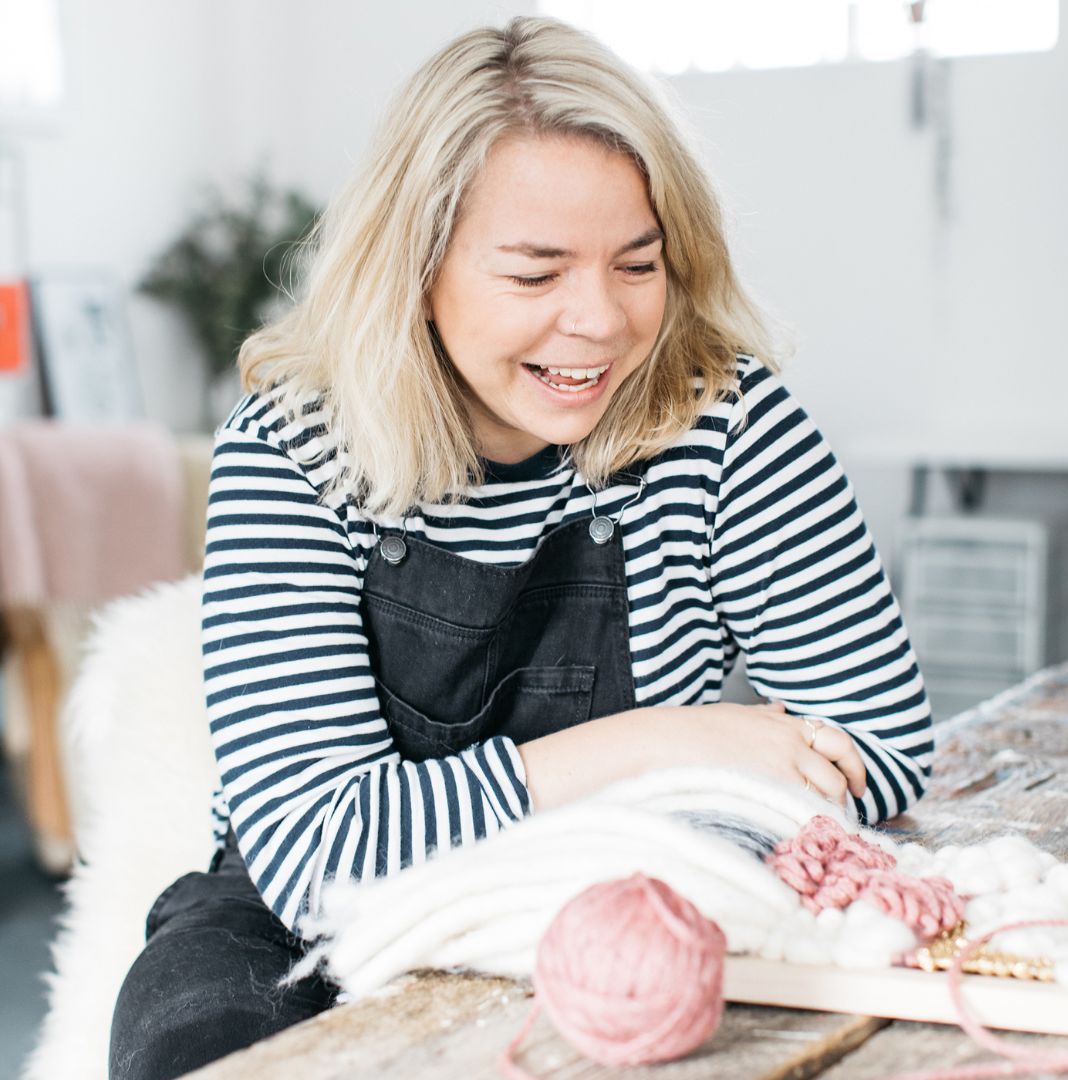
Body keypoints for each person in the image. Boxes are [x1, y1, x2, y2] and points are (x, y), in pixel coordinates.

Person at [109, 15, 932, 1080]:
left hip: (622, 888)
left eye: (637, 264)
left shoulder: (727, 425)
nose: (598, 321)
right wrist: (673, 743)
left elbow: (879, 743)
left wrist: (644, 820)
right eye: (536, 275)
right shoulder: (294, 448)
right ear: (417, 268)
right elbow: (322, 856)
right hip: (289, 930)